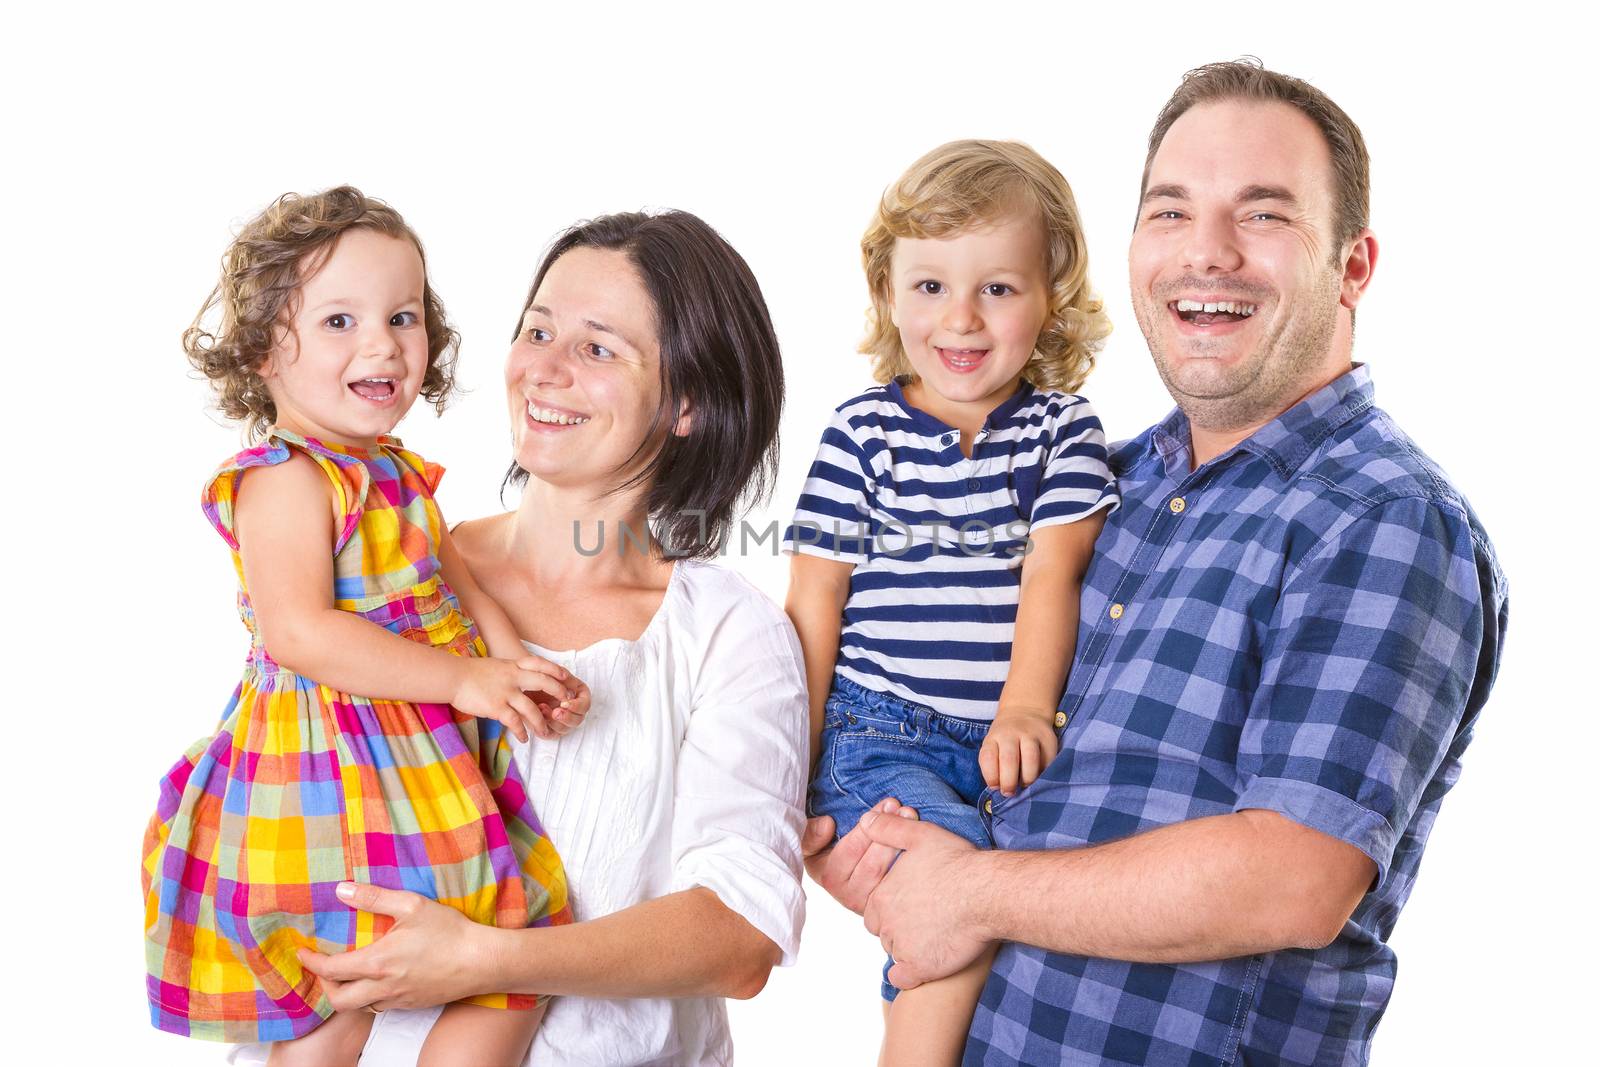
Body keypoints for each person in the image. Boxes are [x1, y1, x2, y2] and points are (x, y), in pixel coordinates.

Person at [806, 60, 1509, 1066]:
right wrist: (869, 836)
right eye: (1170, 212)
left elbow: (1292, 875)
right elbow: (958, 749)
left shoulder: (1384, 519)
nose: (1204, 253)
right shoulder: (1103, 485)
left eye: (1261, 214)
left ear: (1352, 267)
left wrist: (964, 891)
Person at [273, 210, 808, 1067]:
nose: (544, 370)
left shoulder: (727, 633)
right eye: (538, 331)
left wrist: (489, 960)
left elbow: (740, 936)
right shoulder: (390, 571)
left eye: (599, 348)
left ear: (687, 403)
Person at [142, 186, 589, 1067]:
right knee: (339, 998)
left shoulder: (395, 472)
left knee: (495, 949)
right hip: (323, 774)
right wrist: (465, 680)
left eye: (403, 316)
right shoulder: (286, 478)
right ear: (267, 347)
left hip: (416, 763)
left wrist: (511, 660)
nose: (384, 342)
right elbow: (300, 632)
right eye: (341, 320)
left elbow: (454, 582)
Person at [783, 140, 1116, 1066]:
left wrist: (1021, 708)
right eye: (929, 286)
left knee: (1041, 901)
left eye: (998, 289)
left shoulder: (1062, 432)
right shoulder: (864, 432)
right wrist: (786, 765)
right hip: (876, 731)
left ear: (1052, 297)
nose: (960, 319)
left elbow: (1055, 576)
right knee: (955, 876)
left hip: (1007, 741)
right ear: (889, 291)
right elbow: (814, 600)